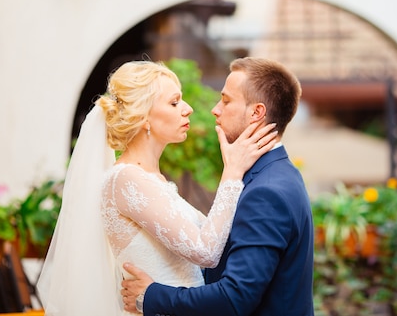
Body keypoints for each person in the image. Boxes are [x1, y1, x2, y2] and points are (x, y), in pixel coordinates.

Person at [36, 60, 277, 316]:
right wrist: (232, 172)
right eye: (174, 103)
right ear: (143, 117)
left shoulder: (152, 180)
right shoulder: (126, 180)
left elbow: (214, 240)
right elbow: (205, 251)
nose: (188, 109)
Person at [121, 57, 315, 316]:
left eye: (226, 100)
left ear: (256, 113)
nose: (215, 109)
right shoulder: (275, 175)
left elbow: (236, 297)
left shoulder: (266, 192)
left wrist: (151, 295)